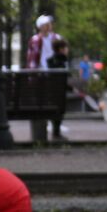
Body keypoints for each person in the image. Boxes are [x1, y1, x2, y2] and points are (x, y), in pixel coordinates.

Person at [26, 13, 62, 141]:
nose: (49, 27)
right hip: (41, 75)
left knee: (55, 101)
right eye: (46, 25)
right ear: (40, 27)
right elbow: (32, 59)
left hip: (53, 74)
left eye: (49, 24)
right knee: (44, 101)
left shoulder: (56, 38)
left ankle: (55, 128)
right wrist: (33, 74)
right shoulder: (36, 40)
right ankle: (47, 128)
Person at [47, 37, 70, 141]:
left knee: (56, 109)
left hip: (51, 92)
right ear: (61, 49)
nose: (67, 50)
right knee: (59, 109)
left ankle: (56, 132)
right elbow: (63, 81)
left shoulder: (50, 60)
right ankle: (56, 133)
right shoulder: (62, 62)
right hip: (58, 92)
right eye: (66, 48)